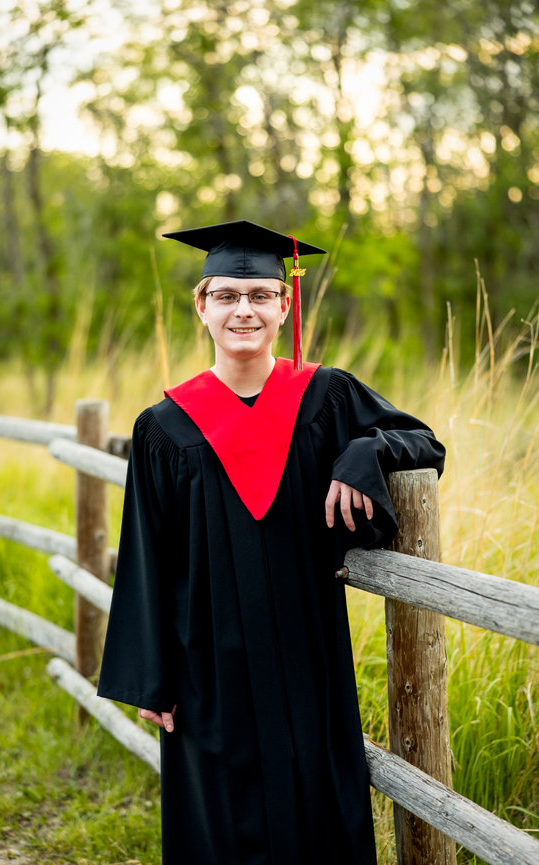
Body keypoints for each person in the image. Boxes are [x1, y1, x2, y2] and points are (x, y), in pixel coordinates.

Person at [97, 220, 445, 865]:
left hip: (308, 655)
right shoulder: (164, 426)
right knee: (222, 822)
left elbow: (424, 442)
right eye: (227, 296)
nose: (244, 310)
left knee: (318, 805)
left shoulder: (325, 396)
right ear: (201, 307)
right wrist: (154, 675)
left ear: (285, 305)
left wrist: (368, 448)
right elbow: (149, 552)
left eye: (260, 295)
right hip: (207, 665)